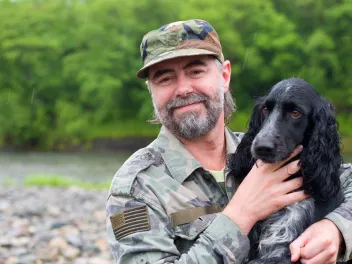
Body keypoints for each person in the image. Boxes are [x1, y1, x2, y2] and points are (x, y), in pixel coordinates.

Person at [106, 19, 352, 264]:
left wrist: (335, 228)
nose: (183, 89)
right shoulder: (135, 188)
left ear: (224, 76)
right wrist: (240, 215)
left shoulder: (270, 151)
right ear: (152, 91)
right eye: (165, 78)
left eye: (196, 71)